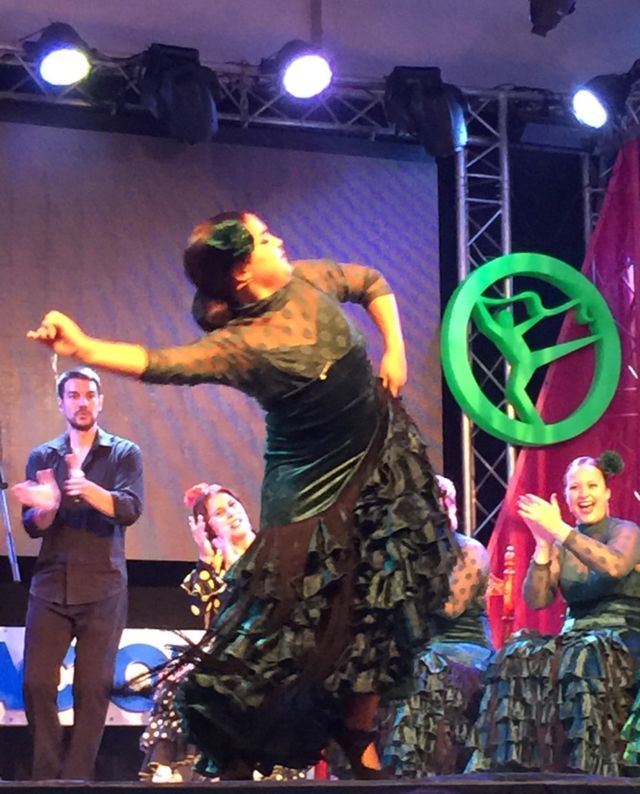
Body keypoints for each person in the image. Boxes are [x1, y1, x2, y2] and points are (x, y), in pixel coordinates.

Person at [25, 211, 456, 779]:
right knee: (284, 630)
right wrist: (83, 346)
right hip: (307, 491)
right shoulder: (243, 344)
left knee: (383, 599)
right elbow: (161, 364)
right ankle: (236, 739)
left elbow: (371, 282)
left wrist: (394, 349)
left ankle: (359, 732)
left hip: (377, 456)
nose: (279, 240)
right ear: (242, 272)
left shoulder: (306, 278)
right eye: (264, 239)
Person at [467, 451, 640, 775]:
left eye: (592, 485)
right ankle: (516, 765)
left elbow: (614, 567)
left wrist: (560, 530)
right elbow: (536, 600)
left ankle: (589, 768)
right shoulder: (561, 544)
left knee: (585, 654)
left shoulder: (626, 531)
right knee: (518, 652)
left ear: (607, 492)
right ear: (565, 497)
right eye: (574, 487)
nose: (583, 494)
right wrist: (544, 545)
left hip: (624, 635)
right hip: (577, 636)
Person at [11, 367, 143, 781]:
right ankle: (46, 777)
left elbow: (130, 508)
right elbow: (33, 526)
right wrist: (46, 507)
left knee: (93, 689)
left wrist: (86, 488)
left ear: (100, 402)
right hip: (50, 585)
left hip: (103, 586)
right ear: (61, 403)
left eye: (89, 395)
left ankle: (75, 779)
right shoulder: (43, 456)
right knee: (36, 683)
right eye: (73, 395)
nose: (82, 402)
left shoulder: (124, 453)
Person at [140, 482, 255, 783]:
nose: (231, 514)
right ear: (208, 527)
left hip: (267, 648)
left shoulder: (270, 550)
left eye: (232, 505)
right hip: (223, 652)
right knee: (178, 679)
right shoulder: (211, 566)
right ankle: (166, 762)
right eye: (220, 512)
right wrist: (208, 557)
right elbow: (202, 611)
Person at [380, 475, 493, 776]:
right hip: (420, 651)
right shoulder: (406, 553)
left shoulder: (469, 550)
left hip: (462, 649)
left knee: (426, 667)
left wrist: (402, 578)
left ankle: (420, 772)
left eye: (444, 503)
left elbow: (450, 607)